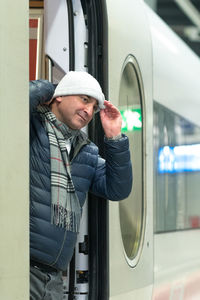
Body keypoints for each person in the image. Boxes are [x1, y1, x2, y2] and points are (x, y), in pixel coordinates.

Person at [30, 71, 132, 300]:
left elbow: (118, 188)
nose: (88, 111)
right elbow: (10, 103)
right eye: (84, 99)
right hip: (21, 267)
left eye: (94, 106)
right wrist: (48, 88)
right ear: (60, 96)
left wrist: (115, 136)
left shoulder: (86, 152)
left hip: (53, 277)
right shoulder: (31, 128)